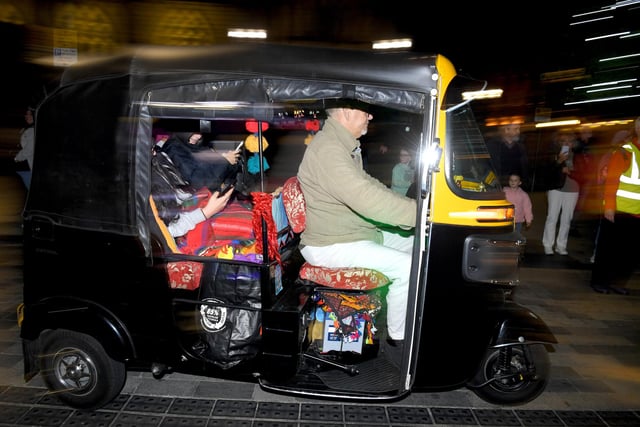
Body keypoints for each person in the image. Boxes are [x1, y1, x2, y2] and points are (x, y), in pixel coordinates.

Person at [296, 99, 417, 363]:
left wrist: (414, 208)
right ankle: (400, 340)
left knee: (418, 244)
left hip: (350, 233)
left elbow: (369, 185)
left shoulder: (342, 146)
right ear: (347, 112)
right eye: (365, 111)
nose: (370, 117)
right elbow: (364, 197)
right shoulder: (329, 150)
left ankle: (410, 315)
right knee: (407, 266)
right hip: (331, 243)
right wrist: (417, 214)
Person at [590, 117, 640, 295]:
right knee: (609, 250)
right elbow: (612, 181)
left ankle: (618, 282)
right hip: (618, 210)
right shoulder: (625, 152)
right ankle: (600, 281)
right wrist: (609, 206)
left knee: (629, 253)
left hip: (637, 214)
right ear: (638, 129)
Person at [150, 144, 233, 244]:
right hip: (176, 231)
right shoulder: (173, 149)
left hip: (186, 209)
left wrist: (201, 197)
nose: (154, 152)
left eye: (152, 148)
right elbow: (165, 232)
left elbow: (179, 190)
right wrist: (205, 212)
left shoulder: (159, 158)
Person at [161, 132, 241, 192]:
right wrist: (224, 161)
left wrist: (225, 158)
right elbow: (198, 184)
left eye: (200, 132)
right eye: (195, 131)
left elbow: (206, 167)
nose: (199, 136)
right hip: (194, 198)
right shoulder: (174, 149)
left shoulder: (193, 145)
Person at [542, 131, 580, 256]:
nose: (566, 144)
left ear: (573, 144)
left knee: (566, 219)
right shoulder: (554, 155)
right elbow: (546, 172)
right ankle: (548, 245)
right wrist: (558, 161)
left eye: (569, 141)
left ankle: (561, 246)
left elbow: (583, 173)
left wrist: (571, 171)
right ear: (559, 143)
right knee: (552, 217)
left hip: (573, 189)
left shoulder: (578, 156)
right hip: (555, 188)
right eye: (563, 141)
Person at [486, 123, 529, 189]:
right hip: (498, 184)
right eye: (516, 129)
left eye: (518, 129)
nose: (518, 132)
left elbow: (524, 167)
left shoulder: (521, 147)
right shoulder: (492, 146)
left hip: (516, 185)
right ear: (506, 130)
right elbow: (487, 165)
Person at [14, 107, 35, 190]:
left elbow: (30, 149)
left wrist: (17, 158)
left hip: (28, 167)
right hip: (27, 166)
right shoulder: (27, 128)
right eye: (26, 114)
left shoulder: (32, 130)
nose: (27, 116)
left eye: (30, 114)